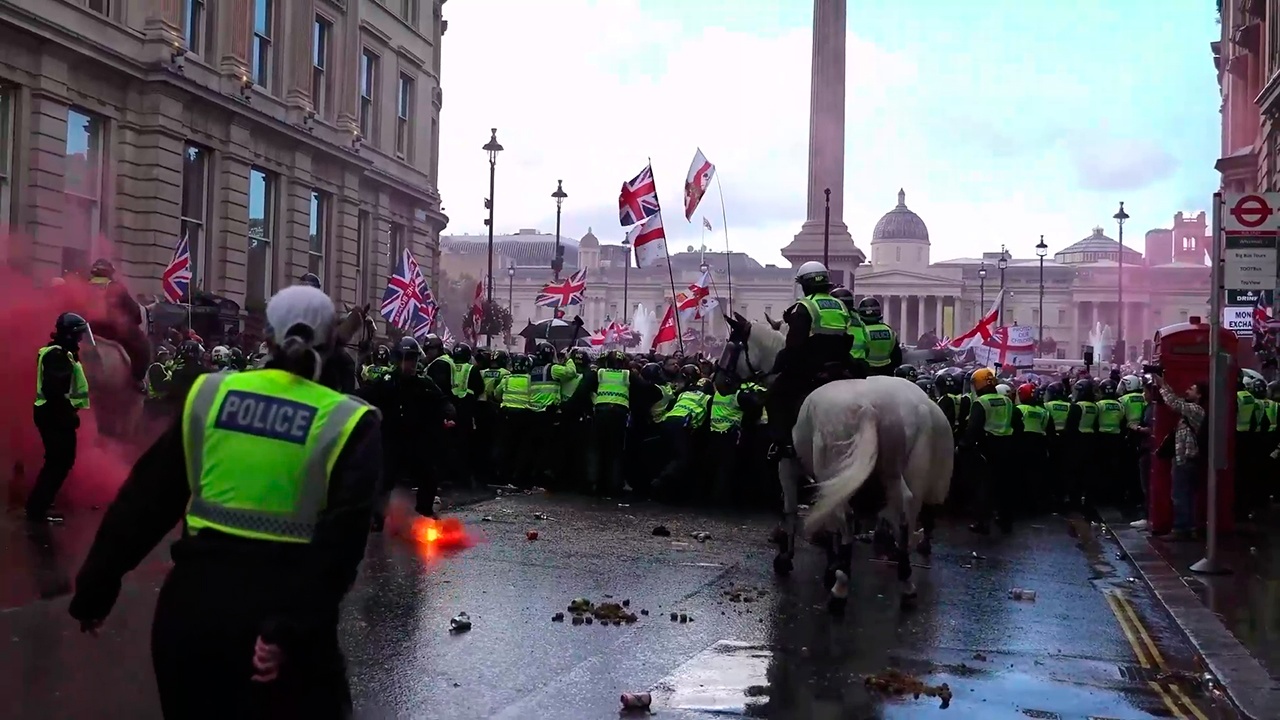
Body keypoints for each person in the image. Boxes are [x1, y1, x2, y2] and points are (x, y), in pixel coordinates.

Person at [68, 285, 383, 718]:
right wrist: (287, 633)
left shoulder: (209, 395)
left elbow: (143, 502)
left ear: (266, 339)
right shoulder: (349, 421)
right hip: (277, 633)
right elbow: (339, 548)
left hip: (191, 618)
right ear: (332, 343)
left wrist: (96, 589)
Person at [764, 261, 852, 459]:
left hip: (812, 368)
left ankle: (782, 444)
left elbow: (795, 344)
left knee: (775, 396)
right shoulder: (840, 305)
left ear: (804, 285)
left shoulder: (804, 306)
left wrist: (780, 363)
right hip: (841, 364)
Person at [27, 312, 93, 523]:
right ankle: (38, 508)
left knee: (58, 461)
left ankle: (41, 503)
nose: (81, 339)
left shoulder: (60, 352)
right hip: (54, 415)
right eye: (78, 335)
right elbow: (55, 391)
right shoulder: (57, 355)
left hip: (52, 414)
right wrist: (68, 416)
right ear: (70, 335)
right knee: (59, 461)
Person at [1151, 374, 1207, 540]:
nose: (1187, 391)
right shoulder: (1192, 411)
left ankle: (1181, 529)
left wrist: (1162, 385)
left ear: (1199, 395)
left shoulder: (1196, 410)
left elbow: (1174, 403)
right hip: (1187, 459)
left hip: (1186, 459)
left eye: (1192, 389)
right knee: (1187, 495)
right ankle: (1189, 527)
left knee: (1180, 495)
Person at [857, 297, 902, 376]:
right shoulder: (889, 331)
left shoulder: (861, 331)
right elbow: (897, 358)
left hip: (866, 373)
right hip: (886, 372)